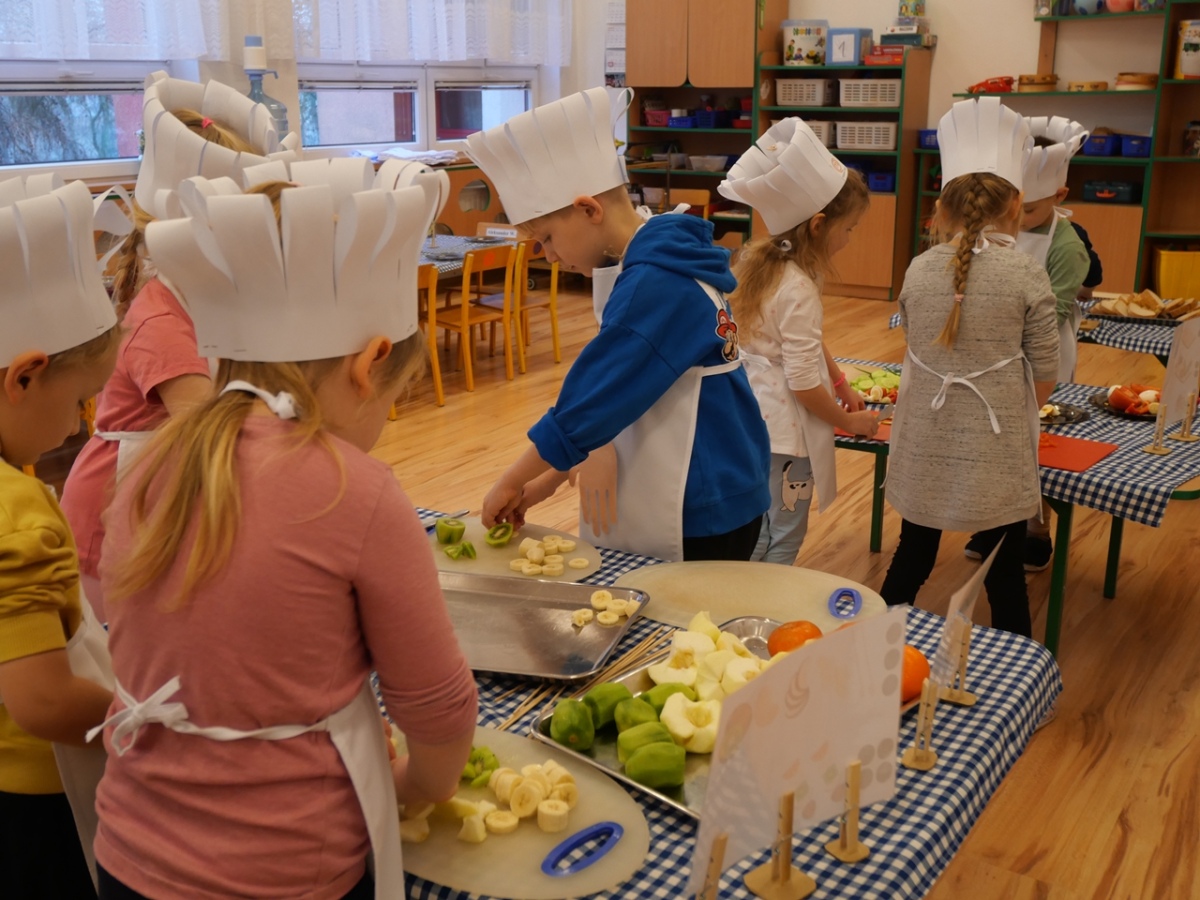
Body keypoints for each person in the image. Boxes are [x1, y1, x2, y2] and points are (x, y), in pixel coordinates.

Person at [90, 162, 478, 899]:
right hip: (286, 869)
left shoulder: (148, 465)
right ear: (369, 365)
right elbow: (438, 709)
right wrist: (416, 782)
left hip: (127, 855)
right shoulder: (355, 490)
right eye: (392, 401)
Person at [466, 88, 771, 562]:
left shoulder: (655, 284)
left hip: (704, 503)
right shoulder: (662, 252)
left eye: (548, 238)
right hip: (724, 485)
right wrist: (546, 481)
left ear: (589, 209)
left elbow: (593, 400)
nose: (550, 256)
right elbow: (625, 396)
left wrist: (512, 479)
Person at [60, 71, 301, 621]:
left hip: (166, 496)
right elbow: (211, 435)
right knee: (125, 648)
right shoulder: (162, 321)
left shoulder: (205, 300)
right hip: (115, 515)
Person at [880, 97, 1059, 638]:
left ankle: (870, 651)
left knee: (911, 558)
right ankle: (1021, 675)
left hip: (924, 443)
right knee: (1004, 575)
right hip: (996, 452)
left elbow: (917, 350)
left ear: (940, 209)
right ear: (1017, 204)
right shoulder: (1026, 274)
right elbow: (1045, 375)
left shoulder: (918, 268)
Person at [0, 176, 122, 896]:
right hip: (33, 801)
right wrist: (137, 717)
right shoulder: (17, 512)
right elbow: (42, 702)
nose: (81, 422)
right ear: (24, 377)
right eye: (78, 399)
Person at [717, 118, 879, 565]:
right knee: (784, 535)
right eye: (849, 229)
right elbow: (804, 385)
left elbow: (802, 343)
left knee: (756, 528)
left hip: (750, 419)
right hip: (786, 436)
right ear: (819, 225)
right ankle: (766, 600)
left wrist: (840, 382)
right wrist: (850, 422)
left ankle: (745, 595)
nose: (849, 239)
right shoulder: (800, 287)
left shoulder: (759, 262)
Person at [963, 116, 1090, 571]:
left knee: (1036, 445)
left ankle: (1037, 528)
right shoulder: (995, 232)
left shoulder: (1067, 248)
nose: (1018, 220)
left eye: (1030, 211)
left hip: (1042, 356)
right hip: (994, 353)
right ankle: (996, 522)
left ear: (1059, 195)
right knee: (993, 439)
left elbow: (1052, 313)